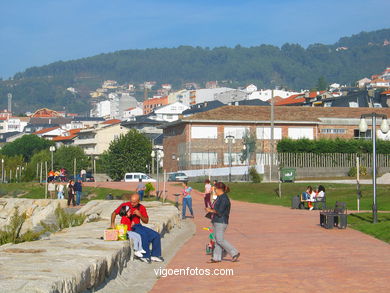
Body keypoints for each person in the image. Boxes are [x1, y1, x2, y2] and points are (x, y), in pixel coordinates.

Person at [111, 194, 164, 263]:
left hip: (139, 226)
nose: (132, 204)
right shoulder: (125, 205)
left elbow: (146, 221)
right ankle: (145, 256)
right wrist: (112, 223)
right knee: (143, 234)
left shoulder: (142, 207)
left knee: (156, 235)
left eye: (134, 202)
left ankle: (155, 255)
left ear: (139, 201)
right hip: (131, 227)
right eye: (131, 201)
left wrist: (140, 215)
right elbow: (114, 213)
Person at [205, 182, 240, 263]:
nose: (214, 191)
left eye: (215, 189)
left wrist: (210, 210)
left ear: (219, 189)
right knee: (216, 240)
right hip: (216, 220)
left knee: (220, 240)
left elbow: (220, 211)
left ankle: (234, 252)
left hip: (221, 221)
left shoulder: (224, 198)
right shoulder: (219, 197)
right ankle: (216, 258)